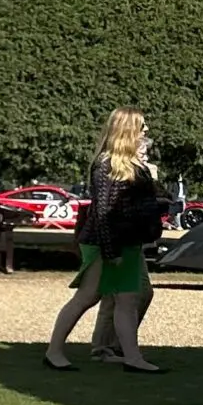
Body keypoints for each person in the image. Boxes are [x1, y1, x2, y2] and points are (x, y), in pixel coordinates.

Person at [46, 107, 165, 374]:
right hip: (105, 244)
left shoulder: (134, 165)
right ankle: (54, 351)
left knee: (128, 300)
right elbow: (103, 213)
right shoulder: (106, 165)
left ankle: (133, 358)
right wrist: (111, 252)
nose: (145, 130)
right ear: (127, 129)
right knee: (87, 297)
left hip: (127, 243)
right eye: (141, 126)